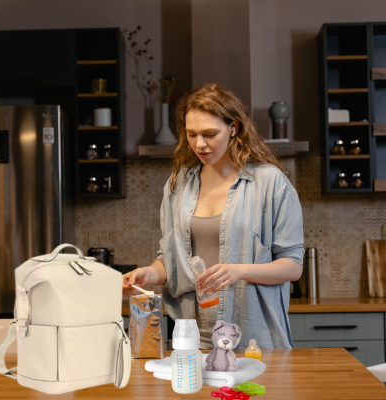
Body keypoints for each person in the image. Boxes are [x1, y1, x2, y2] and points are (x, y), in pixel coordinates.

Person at [123, 83, 304, 350]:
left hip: (252, 339)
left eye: (210, 134)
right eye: (191, 134)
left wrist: (239, 270)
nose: (200, 144)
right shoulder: (178, 184)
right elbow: (171, 261)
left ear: (234, 128)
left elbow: (293, 266)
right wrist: (148, 274)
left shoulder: (269, 182)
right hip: (191, 338)